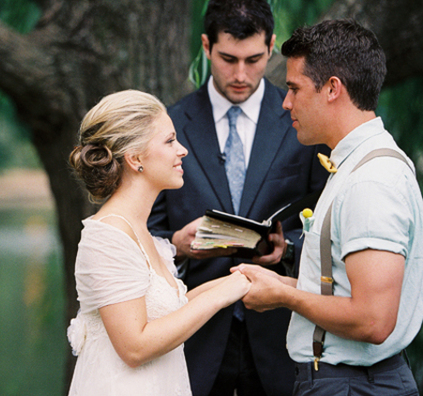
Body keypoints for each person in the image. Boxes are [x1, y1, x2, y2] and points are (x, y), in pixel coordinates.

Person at [147, 1, 329, 395]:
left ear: (271, 46)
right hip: (192, 338)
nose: (241, 74)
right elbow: (144, 233)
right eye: (228, 59)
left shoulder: (303, 122)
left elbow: (325, 221)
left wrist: (287, 248)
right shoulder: (168, 125)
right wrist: (175, 246)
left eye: (255, 59)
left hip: (280, 337)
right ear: (206, 46)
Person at [234, 19, 423, 395]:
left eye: (294, 88)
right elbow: (347, 291)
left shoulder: (372, 180)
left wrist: (284, 296)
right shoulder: (355, 165)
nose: (286, 102)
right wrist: (284, 275)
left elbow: (372, 320)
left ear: (333, 88)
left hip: (353, 385)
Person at [66, 89, 251, 396]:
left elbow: (172, 310)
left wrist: (240, 281)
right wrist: (221, 296)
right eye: (169, 141)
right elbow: (135, 347)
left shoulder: (140, 231)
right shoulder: (107, 237)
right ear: (135, 158)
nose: (183, 151)